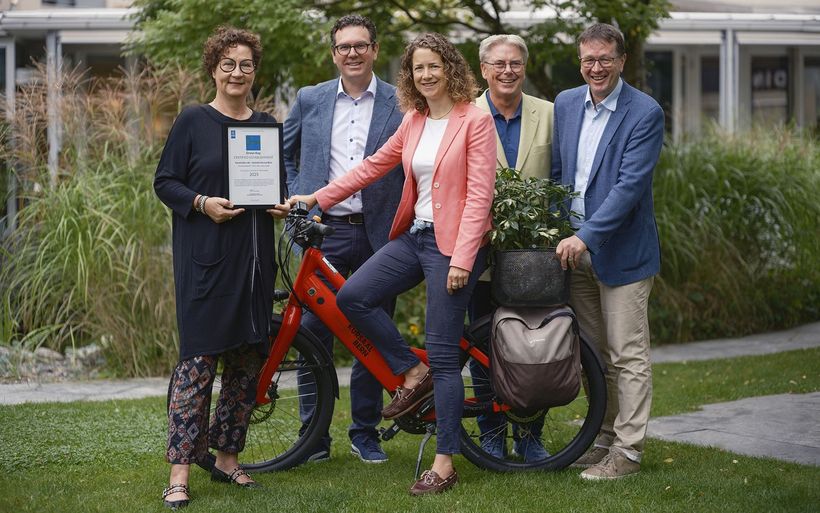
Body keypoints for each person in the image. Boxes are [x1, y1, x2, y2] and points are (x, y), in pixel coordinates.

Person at [289, 32, 496, 495]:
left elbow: (481, 196)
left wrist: (463, 259)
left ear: (450, 68)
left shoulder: (474, 120)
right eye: (418, 68)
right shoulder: (415, 120)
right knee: (354, 297)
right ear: (410, 75)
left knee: (444, 354)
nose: (426, 74)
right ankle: (411, 370)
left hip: (452, 247)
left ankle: (444, 463)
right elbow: (370, 167)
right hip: (414, 237)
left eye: (434, 66)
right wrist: (316, 198)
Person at [154, 26, 289, 509]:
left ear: (255, 71)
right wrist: (200, 202)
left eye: (245, 64)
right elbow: (165, 182)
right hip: (206, 264)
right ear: (213, 69)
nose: (237, 72)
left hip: (253, 264)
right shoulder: (193, 120)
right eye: (228, 64)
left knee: (246, 365)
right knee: (197, 365)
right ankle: (179, 473)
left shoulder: (267, 125)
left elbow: (275, 186)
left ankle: (228, 459)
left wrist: (280, 204)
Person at [282, 14, 403, 465]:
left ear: (374, 49)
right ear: (334, 54)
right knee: (312, 334)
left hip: (379, 234)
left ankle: (365, 433)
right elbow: (285, 153)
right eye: (344, 47)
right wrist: (299, 198)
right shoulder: (309, 98)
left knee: (372, 331)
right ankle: (313, 436)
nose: (352, 53)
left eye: (360, 45)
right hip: (323, 232)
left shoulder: (401, 101)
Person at [551, 22, 664, 480]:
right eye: (588, 60)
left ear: (621, 61)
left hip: (622, 254)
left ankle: (628, 452)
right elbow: (559, 173)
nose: (595, 68)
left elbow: (629, 187)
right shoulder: (565, 103)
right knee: (594, 358)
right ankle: (602, 438)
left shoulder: (644, 112)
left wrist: (586, 236)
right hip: (574, 252)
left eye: (604, 59)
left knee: (626, 355)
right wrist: (559, 230)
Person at [469, 33, 555, 462]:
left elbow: (560, 179)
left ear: (524, 67)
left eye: (515, 63)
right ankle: (492, 433)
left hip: (535, 259)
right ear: (483, 70)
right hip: (479, 256)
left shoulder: (550, 114)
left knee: (534, 348)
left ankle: (529, 434)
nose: (508, 71)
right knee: (483, 345)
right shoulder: (464, 115)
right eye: (499, 64)